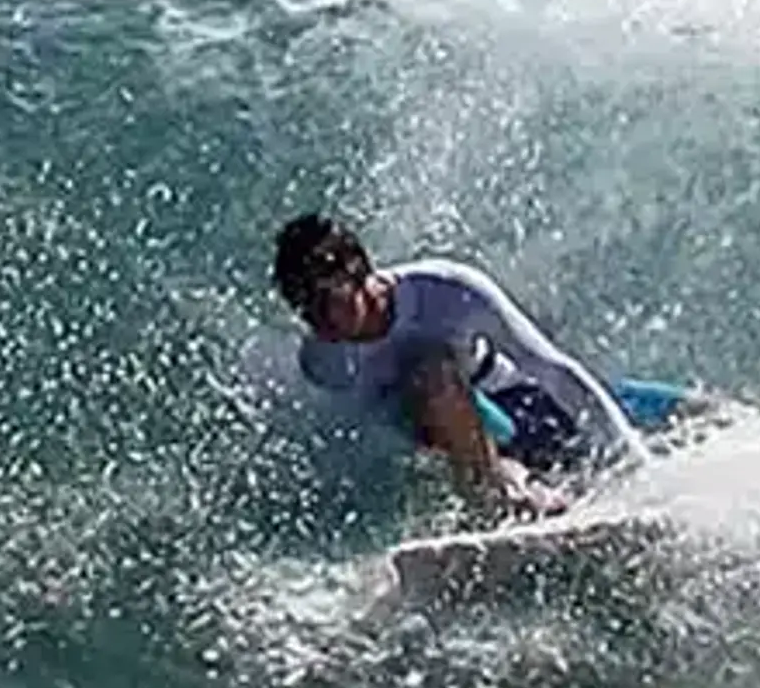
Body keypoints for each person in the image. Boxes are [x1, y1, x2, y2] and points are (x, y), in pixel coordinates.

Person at [272, 211, 648, 519]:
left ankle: (534, 485)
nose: (317, 320)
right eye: (303, 307)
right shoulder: (323, 362)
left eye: (325, 300)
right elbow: (396, 431)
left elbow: (549, 367)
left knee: (697, 414)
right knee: (427, 375)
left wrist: (635, 461)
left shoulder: (446, 291)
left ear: (359, 272)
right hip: (465, 447)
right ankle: (506, 498)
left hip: (521, 407)